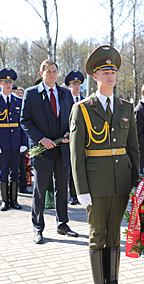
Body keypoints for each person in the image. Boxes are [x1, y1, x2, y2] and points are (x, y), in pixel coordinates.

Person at [70, 45, 139, 284]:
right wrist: (81, 188)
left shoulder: (125, 107)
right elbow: (76, 153)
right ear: (95, 76)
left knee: (114, 231)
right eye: (105, 71)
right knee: (97, 231)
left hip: (120, 178)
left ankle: (113, 281)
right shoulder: (83, 108)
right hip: (95, 181)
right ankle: (99, 283)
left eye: (113, 71)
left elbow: (132, 148)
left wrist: (135, 182)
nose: (111, 75)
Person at [20, 60, 78, 244]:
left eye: (54, 71)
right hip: (43, 149)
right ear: (42, 73)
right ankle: (38, 228)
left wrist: (70, 132)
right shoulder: (31, 94)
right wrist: (41, 139)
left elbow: (72, 118)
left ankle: (62, 224)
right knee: (40, 190)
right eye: (49, 71)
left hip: (62, 149)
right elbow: (25, 121)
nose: (52, 74)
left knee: (62, 189)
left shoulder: (65, 94)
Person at [0, 68, 27, 210]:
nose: (8, 85)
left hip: (16, 142)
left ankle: (14, 200)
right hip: (2, 142)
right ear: (0, 84)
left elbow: (22, 123)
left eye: (10, 82)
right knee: (4, 171)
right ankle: (5, 200)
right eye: (5, 82)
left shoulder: (18, 101)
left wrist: (24, 142)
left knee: (15, 171)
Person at [64, 70, 85, 205]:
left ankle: (81, 194)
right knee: (72, 169)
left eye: (78, 84)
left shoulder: (85, 101)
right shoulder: (65, 101)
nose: (77, 87)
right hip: (68, 140)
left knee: (82, 167)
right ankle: (72, 195)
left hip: (83, 140)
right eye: (74, 84)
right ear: (68, 86)